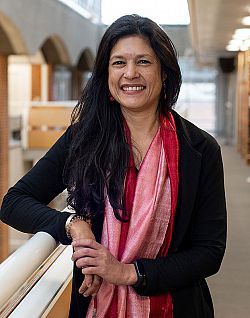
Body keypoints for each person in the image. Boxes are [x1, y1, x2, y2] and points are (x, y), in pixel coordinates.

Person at [0, 14, 227, 318]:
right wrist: (74, 225)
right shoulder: (84, 139)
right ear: (106, 75)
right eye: (119, 63)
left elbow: (209, 252)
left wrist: (127, 272)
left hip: (176, 307)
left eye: (144, 62)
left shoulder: (199, 149)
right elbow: (13, 202)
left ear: (164, 73)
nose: (130, 73)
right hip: (94, 305)